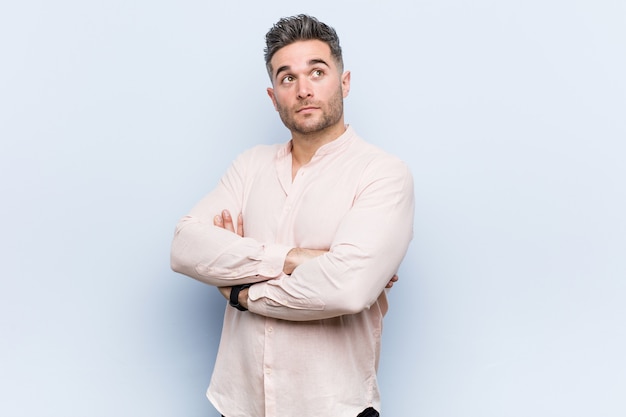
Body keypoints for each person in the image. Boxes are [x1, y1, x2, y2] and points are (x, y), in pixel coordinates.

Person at [170, 14, 414, 417]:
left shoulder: (383, 173)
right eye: (288, 78)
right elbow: (184, 246)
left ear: (344, 81)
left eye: (317, 72)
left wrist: (240, 292)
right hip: (238, 404)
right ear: (273, 96)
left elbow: (348, 289)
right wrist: (295, 259)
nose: (304, 90)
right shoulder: (249, 166)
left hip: (334, 406)